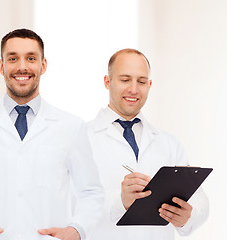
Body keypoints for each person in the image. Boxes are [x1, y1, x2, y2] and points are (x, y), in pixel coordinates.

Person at [0, 28, 104, 240]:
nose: (22, 67)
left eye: (31, 58)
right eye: (13, 58)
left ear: (43, 65)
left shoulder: (71, 127)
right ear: (1, 66)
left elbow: (91, 192)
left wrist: (77, 230)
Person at [86, 48, 209, 239]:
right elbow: (65, 205)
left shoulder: (168, 142)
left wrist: (187, 216)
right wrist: (120, 201)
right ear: (107, 82)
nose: (133, 89)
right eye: (125, 80)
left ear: (150, 85)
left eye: (141, 81)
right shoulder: (80, 139)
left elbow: (200, 199)